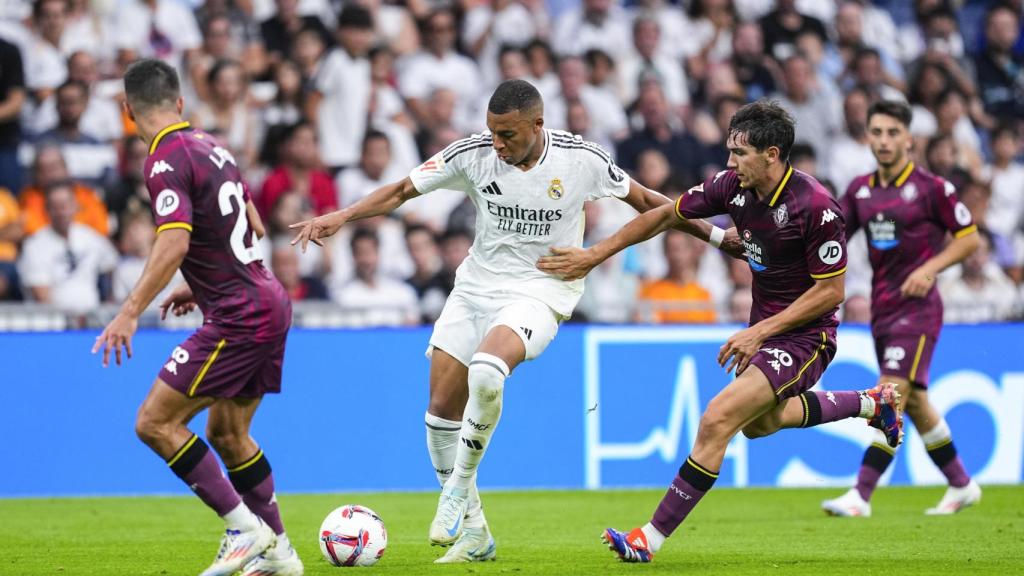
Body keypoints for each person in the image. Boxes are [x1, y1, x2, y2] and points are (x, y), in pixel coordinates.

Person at [291, 78, 732, 563]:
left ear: (538, 125)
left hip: (542, 287)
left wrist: (717, 238)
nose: (497, 144)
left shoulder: (579, 159)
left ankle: (457, 488)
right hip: (476, 287)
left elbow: (652, 204)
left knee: (487, 368)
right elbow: (401, 191)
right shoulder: (473, 154)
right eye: (493, 132)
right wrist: (342, 215)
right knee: (439, 415)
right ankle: (475, 534)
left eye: (508, 134)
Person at [535, 100, 903, 563]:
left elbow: (831, 292)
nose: (730, 162)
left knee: (717, 419)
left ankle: (648, 539)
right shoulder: (733, 187)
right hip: (765, 327)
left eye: (740, 153)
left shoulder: (816, 207)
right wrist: (594, 254)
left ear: (772, 154)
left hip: (807, 335)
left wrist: (758, 333)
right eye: (730, 151)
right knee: (761, 424)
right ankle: (873, 402)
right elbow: (668, 214)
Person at [91, 59, 301, 576]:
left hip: (238, 315)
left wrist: (128, 311)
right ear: (180, 104)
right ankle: (279, 553)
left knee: (155, 422)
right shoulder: (213, 147)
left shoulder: (163, 159)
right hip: (267, 299)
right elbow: (247, 223)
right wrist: (202, 282)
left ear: (126, 110)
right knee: (228, 435)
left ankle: (242, 530)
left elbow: (175, 239)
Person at [821, 100, 982, 518]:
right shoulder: (860, 190)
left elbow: (968, 238)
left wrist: (929, 269)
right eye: (877, 132)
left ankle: (861, 494)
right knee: (914, 402)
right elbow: (832, 233)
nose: (884, 141)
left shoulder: (933, 188)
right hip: (883, 309)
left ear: (909, 139)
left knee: (888, 393)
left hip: (920, 310)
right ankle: (962, 484)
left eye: (893, 133)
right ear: (868, 137)